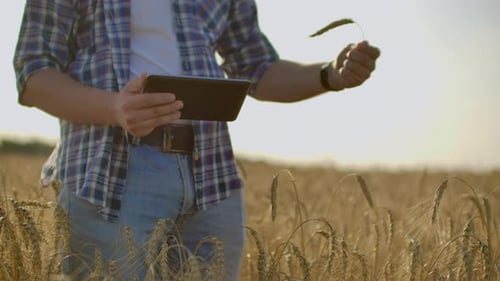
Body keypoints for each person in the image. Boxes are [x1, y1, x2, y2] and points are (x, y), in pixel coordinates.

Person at [13, 0, 380, 280]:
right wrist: (115, 108)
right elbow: (33, 72)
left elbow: (258, 67)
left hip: (212, 175)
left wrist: (330, 76)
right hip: (108, 175)